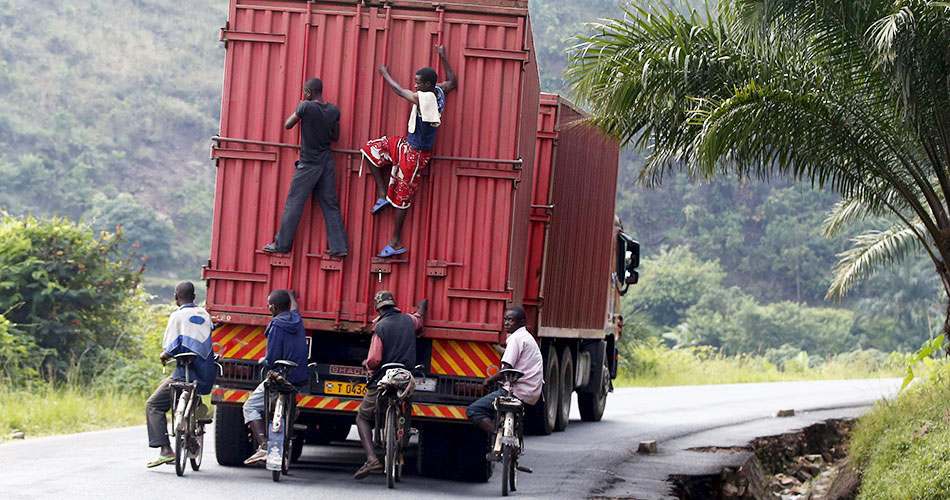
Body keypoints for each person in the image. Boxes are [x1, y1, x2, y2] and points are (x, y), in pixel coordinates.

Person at [360, 45, 457, 258]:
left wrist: (385, 74)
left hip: (416, 155)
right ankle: (382, 193)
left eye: (418, 82)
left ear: (427, 84)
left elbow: (398, 91)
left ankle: (395, 242)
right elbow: (452, 82)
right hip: (406, 144)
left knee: (402, 197)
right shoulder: (438, 90)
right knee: (370, 148)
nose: (415, 85)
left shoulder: (425, 98)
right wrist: (443, 57)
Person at [263, 77, 348, 257]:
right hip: (327, 163)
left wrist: (301, 108)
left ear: (308, 92)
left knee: (294, 203)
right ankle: (339, 248)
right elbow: (335, 137)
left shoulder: (305, 107)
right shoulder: (334, 110)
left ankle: (281, 245)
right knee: (330, 204)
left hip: (309, 163)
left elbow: (288, 125)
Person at [353, 291, 428, 479]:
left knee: (362, 417)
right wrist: (421, 308)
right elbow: (418, 320)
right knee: (405, 404)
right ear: (394, 305)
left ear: (378, 308)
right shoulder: (409, 321)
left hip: (382, 378)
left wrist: (366, 364)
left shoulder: (380, 326)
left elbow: (374, 359)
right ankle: (402, 433)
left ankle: (372, 459)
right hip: (404, 376)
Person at [146, 281, 216, 468]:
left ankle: (166, 450)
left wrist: (164, 356)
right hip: (205, 375)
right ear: (194, 297)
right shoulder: (205, 315)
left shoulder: (177, 316)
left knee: (153, 405)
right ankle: (197, 407)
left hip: (184, 374)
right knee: (189, 389)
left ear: (176, 297)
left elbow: (170, 346)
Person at [242, 289, 310, 465]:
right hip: (299, 377)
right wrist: (292, 296)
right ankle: (290, 413)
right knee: (290, 396)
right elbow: (294, 308)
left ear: (272, 307)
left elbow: (272, 359)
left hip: (281, 376)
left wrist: (263, 361)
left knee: (249, 406)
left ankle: (264, 445)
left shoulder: (276, 326)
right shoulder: (297, 320)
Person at [466, 306, 543, 459]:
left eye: (511, 320)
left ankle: (499, 434)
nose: (507, 323)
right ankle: (510, 436)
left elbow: (506, 368)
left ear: (521, 321)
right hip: (531, 393)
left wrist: (488, 381)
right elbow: (512, 356)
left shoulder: (515, 339)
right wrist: (499, 349)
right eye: (506, 320)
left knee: (474, 411)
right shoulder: (526, 338)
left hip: (516, 391)